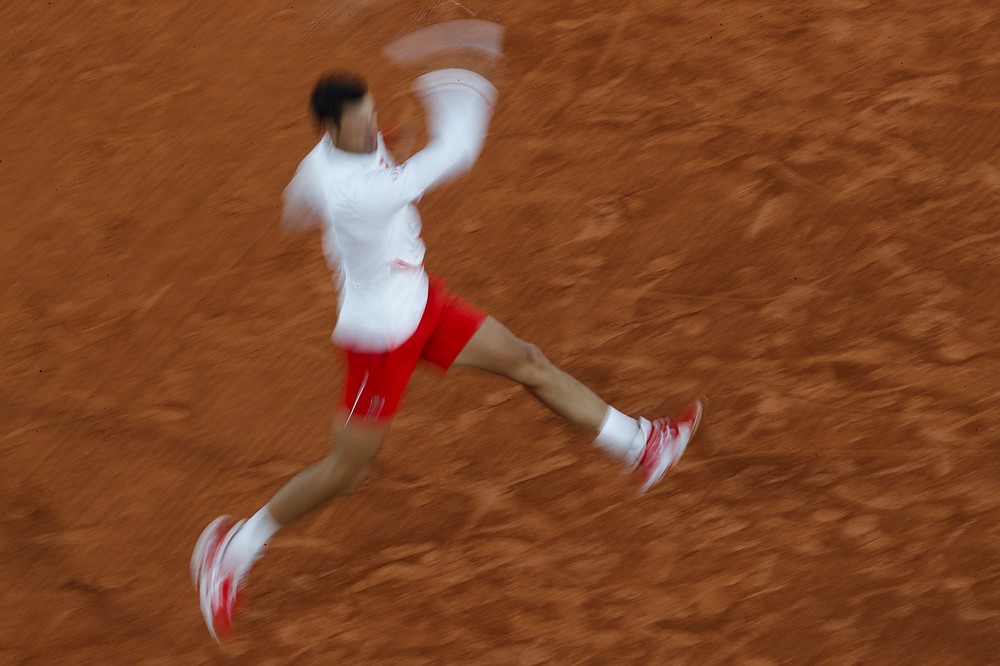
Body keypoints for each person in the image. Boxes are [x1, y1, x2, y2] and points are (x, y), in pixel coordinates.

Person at [191, 66, 703, 643]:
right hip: (380, 339)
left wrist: (326, 209)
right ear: (331, 129)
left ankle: (640, 446)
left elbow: (301, 200)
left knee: (527, 361)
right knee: (349, 470)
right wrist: (461, 101)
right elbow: (448, 157)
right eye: (360, 123)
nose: (372, 127)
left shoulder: (333, 157)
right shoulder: (353, 193)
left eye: (371, 114)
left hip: (422, 301)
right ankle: (232, 548)